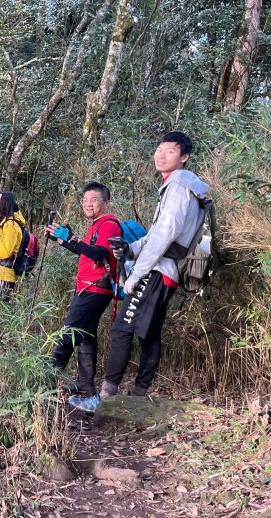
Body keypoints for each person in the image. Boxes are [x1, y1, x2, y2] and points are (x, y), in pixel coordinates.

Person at [70, 131, 210, 413]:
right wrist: (131, 249)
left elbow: (166, 234)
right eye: (159, 149)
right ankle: (137, 396)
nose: (161, 155)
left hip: (157, 271)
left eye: (170, 151)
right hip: (167, 270)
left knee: (121, 331)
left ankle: (105, 400)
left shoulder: (178, 186)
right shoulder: (181, 186)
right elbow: (157, 233)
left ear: (184, 157)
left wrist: (136, 275)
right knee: (149, 334)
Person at [44, 182, 121, 396]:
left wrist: (71, 239)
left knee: (67, 333)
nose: (88, 204)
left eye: (94, 200)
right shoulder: (96, 224)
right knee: (86, 334)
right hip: (88, 287)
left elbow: (99, 253)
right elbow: (86, 253)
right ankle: (86, 384)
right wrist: (63, 240)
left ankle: (45, 381)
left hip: (95, 289)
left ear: (106, 203)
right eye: (85, 200)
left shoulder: (109, 224)